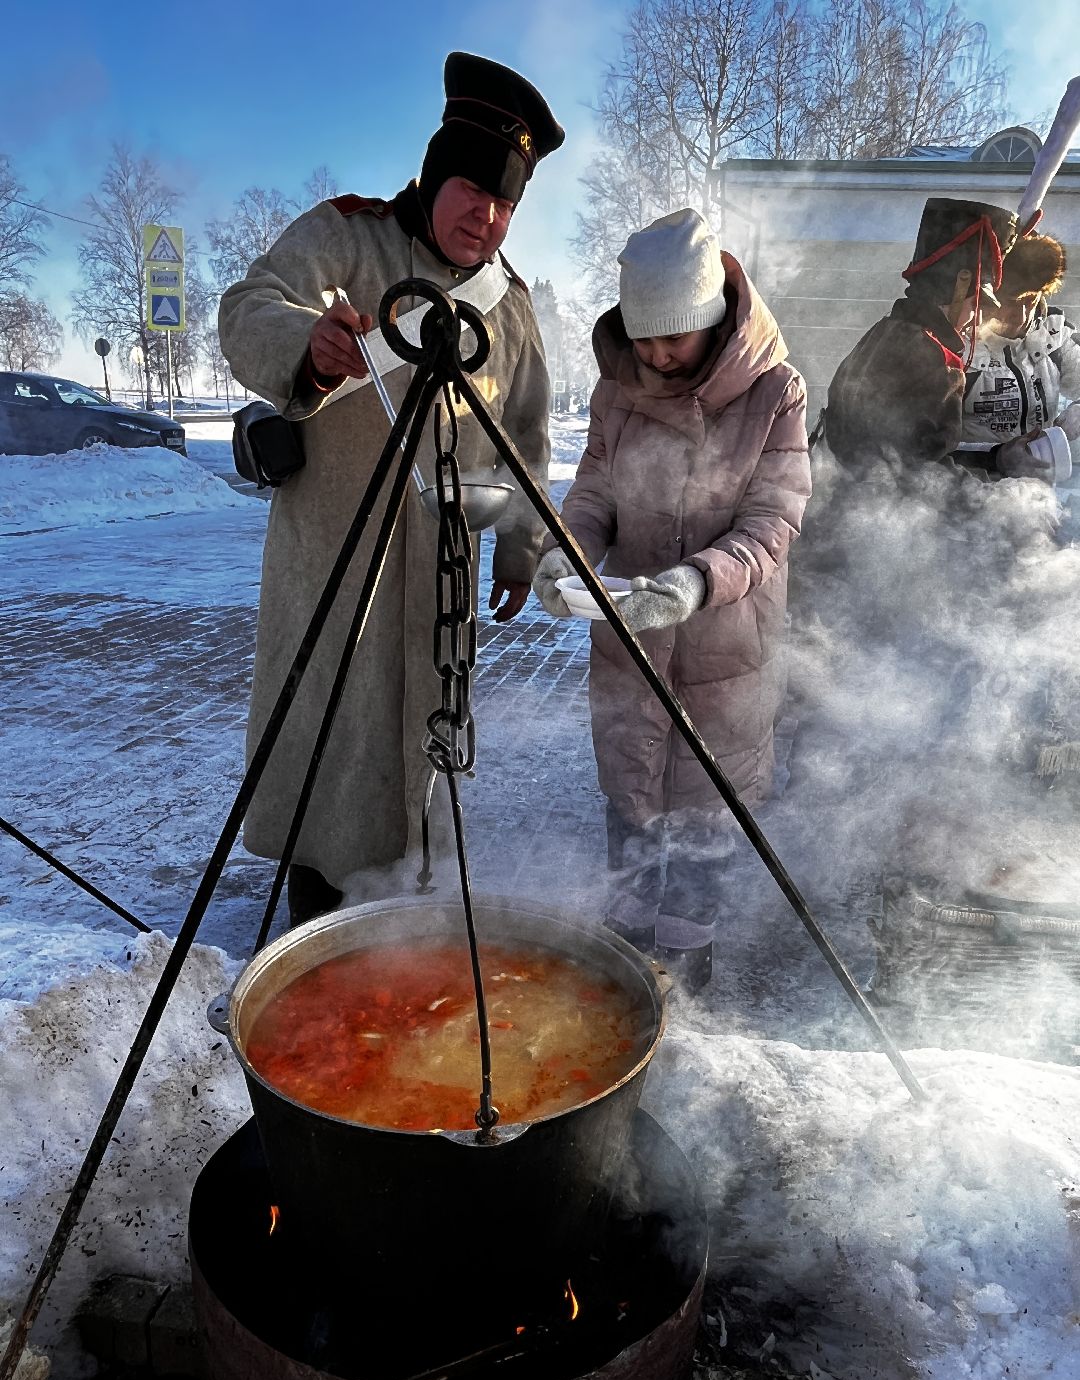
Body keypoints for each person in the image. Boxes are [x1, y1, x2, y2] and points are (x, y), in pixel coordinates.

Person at [219, 53, 564, 926]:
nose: (486, 217)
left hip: (436, 577)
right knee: (333, 763)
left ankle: (407, 951)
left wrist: (522, 548)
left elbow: (527, 435)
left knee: (420, 760)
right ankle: (314, 942)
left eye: (505, 202)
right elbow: (249, 301)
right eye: (472, 190)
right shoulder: (350, 236)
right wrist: (309, 344)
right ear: (436, 171)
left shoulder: (510, 305)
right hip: (331, 558)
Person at [532, 209, 811, 990]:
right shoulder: (618, 391)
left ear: (714, 320)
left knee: (700, 830)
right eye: (644, 336)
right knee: (630, 810)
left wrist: (695, 582)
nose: (656, 355)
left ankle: (690, 991)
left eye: (674, 339)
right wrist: (568, 550)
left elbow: (773, 522)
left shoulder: (774, 392)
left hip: (728, 656)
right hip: (631, 643)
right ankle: (619, 990)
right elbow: (593, 492)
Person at [821, 196, 1057, 484]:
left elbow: (912, 455)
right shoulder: (929, 356)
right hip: (880, 516)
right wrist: (996, 495)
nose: (977, 318)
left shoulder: (887, 332)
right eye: (977, 303)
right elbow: (922, 478)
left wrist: (996, 460)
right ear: (959, 285)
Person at [963, 231, 1080, 455]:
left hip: (1040, 482)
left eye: (1030, 300)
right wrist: (997, 457)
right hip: (972, 480)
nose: (1022, 315)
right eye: (1009, 302)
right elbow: (926, 447)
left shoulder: (1056, 333)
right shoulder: (958, 346)